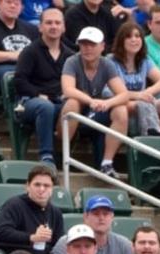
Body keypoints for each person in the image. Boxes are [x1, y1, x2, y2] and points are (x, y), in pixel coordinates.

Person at [60, 26, 128, 179]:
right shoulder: (72, 61)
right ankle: (63, 154)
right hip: (76, 112)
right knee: (72, 103)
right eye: (84, 44)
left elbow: (123, 94)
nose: (87, 48)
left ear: (102, 46)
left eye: (92, 44)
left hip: (96, 112)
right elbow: (68, 89)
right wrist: (91, 101)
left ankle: (107, 162)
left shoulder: (106, 64)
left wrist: (108, 103)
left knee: (121, 110)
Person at [13, 6, 74, 166]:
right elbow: (19, 81)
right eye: (48, 23)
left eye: (57, 23)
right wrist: (39, 94)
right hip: (30, 102)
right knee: (45, 106)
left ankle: (69, 156)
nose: (53, 26)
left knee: (75, 107)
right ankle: (46, 155)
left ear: (63, 27)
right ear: (40, 27)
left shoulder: (70, 55)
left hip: (60, 101)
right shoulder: (30, 51)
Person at [0, 163, 65, 254]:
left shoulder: (55, 213)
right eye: (37, 185)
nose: (42, 189)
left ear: (52, 189)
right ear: (27, 186)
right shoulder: (14, 205)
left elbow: (57, 245)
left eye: (46, 186)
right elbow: (0, 233)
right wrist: (32, 237)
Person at [112, 19, 160, 136]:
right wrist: (139, 96)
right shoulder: (111, 61)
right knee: (141, 105)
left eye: (137, 36)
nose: (134, 40)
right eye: (129, 37)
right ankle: (150, 135)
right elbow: (115, 93)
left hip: (141, 101)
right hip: (120, 103)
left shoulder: (144, 60)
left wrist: (147, 92)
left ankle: (158, 142)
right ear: (121, 41)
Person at [50, 193, 133, 254]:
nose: (101, 218)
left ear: (112, 217)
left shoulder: (124, 244)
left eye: (105, 214)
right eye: (96, 214)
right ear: (86, 217)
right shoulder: (65, 243)